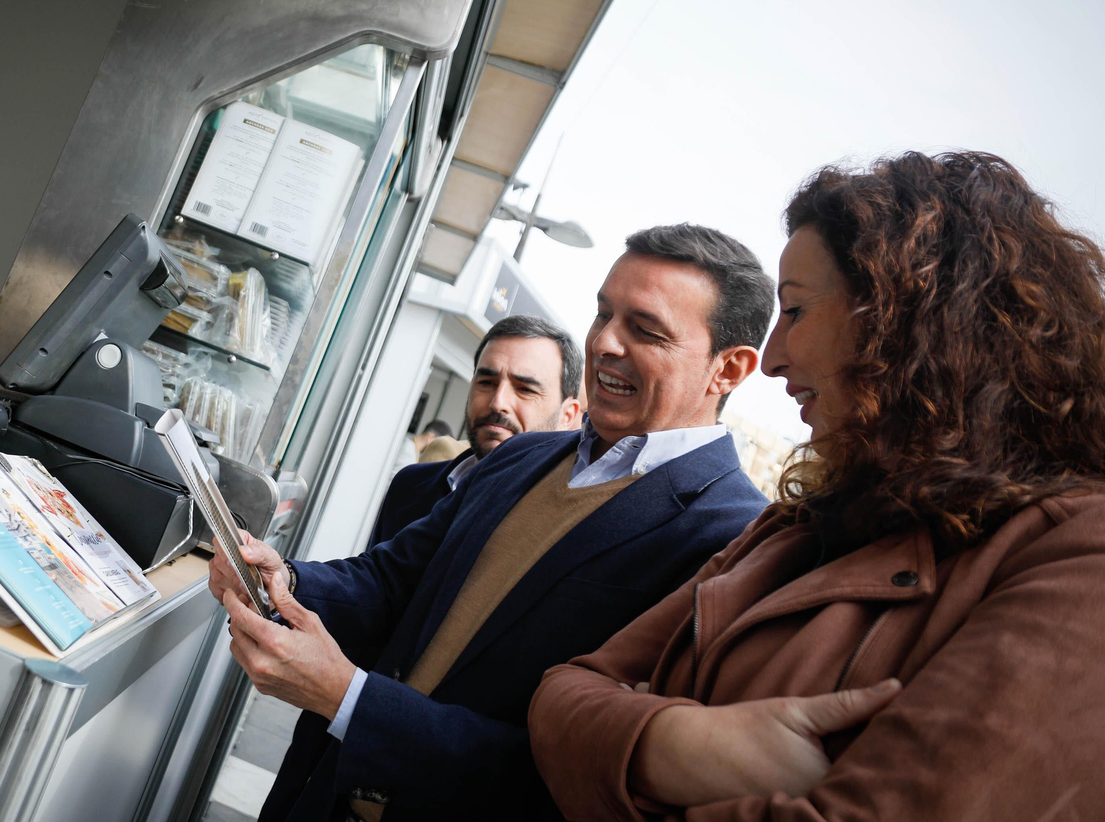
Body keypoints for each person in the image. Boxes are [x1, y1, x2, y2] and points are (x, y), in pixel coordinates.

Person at [528, 152, 1105, 822]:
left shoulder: (1077, 557)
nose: (772, 358)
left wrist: (622, 746)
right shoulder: (794, 526)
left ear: (905, 319)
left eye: (795, 310)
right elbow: (562, 691)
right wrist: (686, 743)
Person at [209, 224, 775, 822]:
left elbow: (580, 772)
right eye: (603, 314)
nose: (605, 342)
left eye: (645, 329)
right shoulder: (522, 457)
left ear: (729, 369)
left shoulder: (732, 542)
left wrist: (349, 697)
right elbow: (393, 580)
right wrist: (287, 582)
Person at [368, 314, 582, 548]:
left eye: (525, 389)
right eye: (487, 383)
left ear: (567, 416)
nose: (498, 402)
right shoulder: (409, 486)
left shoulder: (570, 529)